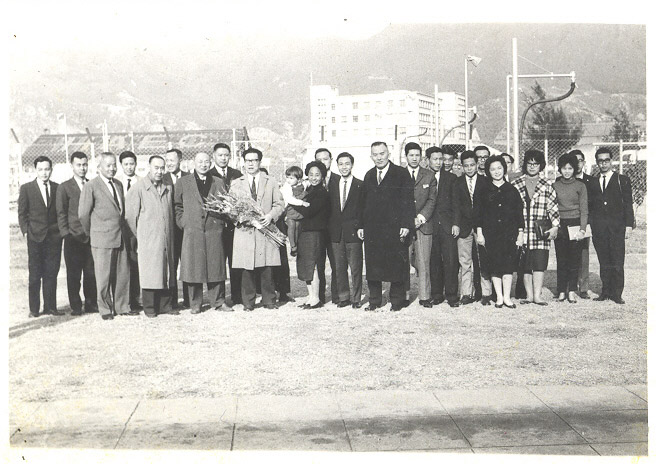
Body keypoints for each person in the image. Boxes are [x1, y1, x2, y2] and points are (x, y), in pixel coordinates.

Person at [357, 141, 414, 311]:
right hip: (373, 229)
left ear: (388, 154)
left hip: (395, 229)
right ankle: (375, 301)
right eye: (375, 154)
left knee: (396, 264)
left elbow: (408, 201)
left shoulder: (401, 174)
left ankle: (396, 301)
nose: (379, 157)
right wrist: (361, 226)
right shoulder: (368, 175)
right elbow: (363, 204)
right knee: (373, 266)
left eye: (382, 153)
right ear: (371, 156)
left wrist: (406, 224)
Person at [78, 152, 135, 320]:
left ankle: (122, 306)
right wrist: (93, 232)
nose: (112, 168)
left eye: (114, 165)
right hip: (101, 238)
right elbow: (83, 214)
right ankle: (104, 309)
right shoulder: (91, 186)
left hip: (120, 237)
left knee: (122, 274)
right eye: (108, 165)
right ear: (99, 167)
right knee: (103, 276)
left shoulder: (118, 184)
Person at [229, 148, 284, 311]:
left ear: (260, 162)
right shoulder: (236, 183)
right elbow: (232, 209)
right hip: (245, 231)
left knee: (267, 266)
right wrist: (242, 218)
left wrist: (270, 216)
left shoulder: (271, 181)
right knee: (247, 268)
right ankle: (248, 302)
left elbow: (279, 204)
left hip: (265, 230)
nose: (251, 164)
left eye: (254, 160)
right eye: (248, 161)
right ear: (243, 162)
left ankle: (269, 300)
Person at [174, 152, 228, 314]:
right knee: (193, 267)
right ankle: (195, 303)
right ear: (193, 163)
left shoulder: (218, 182)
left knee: (215, 266)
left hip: (213, 230)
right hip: (193, 231)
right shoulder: (183, 182)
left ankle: (218, 301)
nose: (203, 165)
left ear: (210, 163)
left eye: (206, 162)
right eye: (200, 162)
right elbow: (177, 206)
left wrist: (219, 222)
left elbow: (224, 204)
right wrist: (184, 223)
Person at [126, 155, 179, 317]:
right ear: (149, 167)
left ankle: (165, 305)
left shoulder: (168, 187)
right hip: (148, 240)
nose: (159, 171)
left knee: (166, 271)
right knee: (150, 272)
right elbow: (130, 217)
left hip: (166, 238)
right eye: (156, 168)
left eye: (162, 168)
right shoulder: (138, 188)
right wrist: (142, 235)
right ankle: (150, 307)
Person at [474, 155, 524, 308]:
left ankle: (508, 297)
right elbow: (478, 214)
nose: (496, 172)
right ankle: (499, 298)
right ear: (488, 171)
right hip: (490, 234)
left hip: (509, 234)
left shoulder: (512, 190)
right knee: (494, 266)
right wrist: (480, 233)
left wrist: (520, 234)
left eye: (499, 168)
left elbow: (518, 214)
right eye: (493, 169)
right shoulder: (483, 190)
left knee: (508, 266)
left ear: (504, 169)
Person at [511, 150, 560, 306]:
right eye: (529, 163)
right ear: (525, 164)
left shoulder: (547, 185)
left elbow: (553, 208)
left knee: (539, 263)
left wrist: (555, 226)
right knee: (525, 264)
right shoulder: (516, 184)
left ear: (541, 165)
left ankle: (538, 296)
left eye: (536, 164)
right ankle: (529, 295)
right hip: (521, 230)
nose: (532, 167)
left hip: (540, 230)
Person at [18, 155, 64, 318]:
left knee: (51, 273)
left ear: (51, 170)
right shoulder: (26, 188)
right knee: (35, 274)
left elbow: (60, 212)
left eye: (47, 169)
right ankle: (34, 309)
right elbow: (22, 213)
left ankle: (50, 307)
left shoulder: (58, 188)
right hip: (35, 237)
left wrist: (60, 232)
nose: (44, 173)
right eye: (41, 169)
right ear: (35, 170)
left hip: (54, 237)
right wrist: (26, 231)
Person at [588, 148, 634, 304]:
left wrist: (628, 225)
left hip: (616, 228)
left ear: (611, 161)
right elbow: (591, 206)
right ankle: (605, 291)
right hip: (599, 229)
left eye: (606, 160)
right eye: (600, 161)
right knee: (604, 261)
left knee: (617, 261)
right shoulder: (593, 182)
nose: (604, 164)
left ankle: (617, 293)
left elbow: (628, 204)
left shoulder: (622, 180)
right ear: (597, 163)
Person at [56, 151, 97, 315]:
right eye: (79, 165)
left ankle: (91, 303)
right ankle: (75, 306)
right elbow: (61, 213)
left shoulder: (92, 184)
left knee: (91, 273)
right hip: (73, 238)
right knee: (74, 275)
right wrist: (66, 234)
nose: (82, 168)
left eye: (85, 164)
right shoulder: (64, 187)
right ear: (72, 166)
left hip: (90, 237)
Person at [454, 150, 492, 306]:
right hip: (463, 227)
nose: (469, 168)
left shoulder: (485, 181)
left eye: (472, 165)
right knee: (465, 261)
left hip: (482, 227)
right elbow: (455, 206)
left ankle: (486, 293)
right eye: (466, 166)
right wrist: (456, 224)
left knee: (483, 259)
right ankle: (466, 293)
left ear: (477, 165)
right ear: (462, 166)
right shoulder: (457, 182)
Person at [208, 142, 244, 305]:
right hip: (217, 224)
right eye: (220, 155)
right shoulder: (208, 174)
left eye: (226, 155)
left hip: (235, 225)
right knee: (218, 262)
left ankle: (237, 295)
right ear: (214, 156)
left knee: (236, 261)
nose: (223, 158)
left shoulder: (237, 173)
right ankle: (219, 297)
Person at [291, 161, 330, 308]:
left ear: (322, 176)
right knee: (307, 265)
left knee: (312, 266)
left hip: (314, 233)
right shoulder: (310, 191)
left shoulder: (321, 193)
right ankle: (311, 296)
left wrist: (292, 204)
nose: (314, 177)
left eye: (317, 175)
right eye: (311, 174)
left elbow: (309, 211)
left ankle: (315, 298)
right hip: (306, 232)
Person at [328, 152, 364, 308]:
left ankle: (356, 299)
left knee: (356, 267)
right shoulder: (332, 184)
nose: (344, 167)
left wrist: (361, 226)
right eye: (341, 164)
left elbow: (364, 210)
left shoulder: (360, 185)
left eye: (347, 164)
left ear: (352, 165)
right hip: (336, 232)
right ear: (337, 165)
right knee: (339, 266)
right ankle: (344, 297)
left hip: (353, 232)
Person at [552, 152, 589, 303]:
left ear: (574, 169)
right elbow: (552, 207)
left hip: (575, 224)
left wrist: (582, 229)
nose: (567, 171)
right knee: (561, 259)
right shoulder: (554, 185)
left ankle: (572, 290)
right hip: (560, 224)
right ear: (559, 169)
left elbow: (584, 209)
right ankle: (561, 290)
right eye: (564, 168)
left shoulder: (581, 186)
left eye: (570, 168)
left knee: (574, 259)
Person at [426, 146, 460, 307]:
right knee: (434, 261)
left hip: (447, 226)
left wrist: (456, 223)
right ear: (428, 160)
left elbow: (457, 204)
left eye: (441, 159)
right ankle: (437, 294)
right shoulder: (424, 176)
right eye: (435, 159)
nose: (439, 162)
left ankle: (452, 295)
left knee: (451, 260)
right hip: (430, 226)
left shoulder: (452, 178)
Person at [405, 142, 437, 308]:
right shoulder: (399, 174)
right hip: (404, 226)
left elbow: (432, 200)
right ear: (406, 157)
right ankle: (404, 295)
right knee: (403, 261)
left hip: (423, 225)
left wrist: (420, 218)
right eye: (411, 155)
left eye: (417, 155)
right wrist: (406, 219)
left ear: (421, 157)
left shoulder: (429, 175)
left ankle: (425, 296)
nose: (414, 158)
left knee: (423, 262)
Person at [162, 148, 190, 308]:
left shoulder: (189, 177)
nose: (169, 163)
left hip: (185, 229)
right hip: (168, 230)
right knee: (170, 266)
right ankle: (171, 301)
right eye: (167, 160)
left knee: (186, 264)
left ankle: (189, 299)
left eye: (172, 160)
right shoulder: (162, 178)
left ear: (180, 160)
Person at [314, 148, 339, 304]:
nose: (322, 162)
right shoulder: (311, 181)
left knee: (337, 263)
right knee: (318, 263)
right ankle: (320, 295)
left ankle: (337, 295)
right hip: (317, 231)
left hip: (335, 228)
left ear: (331, 160)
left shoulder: (339, 179)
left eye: (325, 159)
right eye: (319, 160)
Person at [118, 150, 142, 311]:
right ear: (121, 165)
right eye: (125, 164)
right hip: (120, 229)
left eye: (131, 164)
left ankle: (135, 298)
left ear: (136, 164)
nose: (129, 167)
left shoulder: (141, 182)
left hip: (137, 228)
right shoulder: (116, 182)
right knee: (121, 265)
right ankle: (121, 300)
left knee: (136, 263)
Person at [572, 149, 595, 299]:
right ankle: (570, 286)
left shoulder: (591, 181)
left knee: (583, 255)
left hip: (584, 223)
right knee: (569, 255)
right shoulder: (563, 180)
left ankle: (584, 287)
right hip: (568, 223)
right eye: (574, 161)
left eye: (580, 160)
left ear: (584, 163)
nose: (577, 163)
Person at [280, 165, 309, 257]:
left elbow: (308, 183)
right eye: (287, 177)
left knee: (297, 226)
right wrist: (302, 203)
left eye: (291, 178)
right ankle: (293, 246)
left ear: (299, 179)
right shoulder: (287, 186)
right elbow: (289, 199)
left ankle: (296, 244)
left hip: (298, 211)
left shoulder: (303, 184)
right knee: (291, 225)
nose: (288, 180)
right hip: (290, 209)